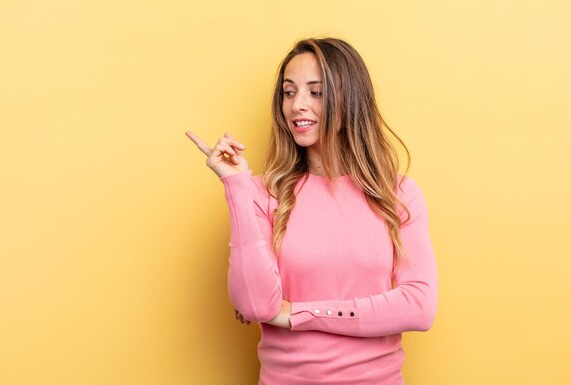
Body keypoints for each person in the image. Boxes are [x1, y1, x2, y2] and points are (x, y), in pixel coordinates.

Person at [186, 37, 438, 385]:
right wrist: (237, 186)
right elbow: (256, 306)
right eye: (289, 93)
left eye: (315, 92)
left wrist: (297, 313)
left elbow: (419, 306)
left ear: (349, 100)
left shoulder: (397, 193)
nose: (297, 106)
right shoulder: (262, 193)